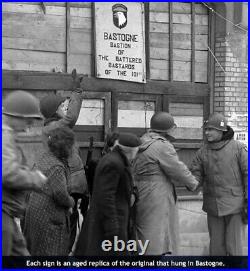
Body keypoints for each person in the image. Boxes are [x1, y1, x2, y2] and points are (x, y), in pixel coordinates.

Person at [133, 112, 199, 255]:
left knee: (145, 229)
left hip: (141, 191)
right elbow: (177, 169)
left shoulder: (142, 141)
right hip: (158, 194)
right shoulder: (162, 146)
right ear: (168, 129)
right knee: (158, 230)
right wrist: (193, 184)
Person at [39, 69, 88, 251]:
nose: (64, 108)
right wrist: (76, 91)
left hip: (71, 186)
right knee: (67, 230)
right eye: (61, 107)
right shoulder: (54, 127)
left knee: (71, 226)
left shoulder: (53, 128)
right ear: (54, 111)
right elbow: (72, 117)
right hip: (68, 187)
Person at [74, 133, 141, 256]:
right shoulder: (114, 163)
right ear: (132, 151)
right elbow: (105, 197)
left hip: (114, 221)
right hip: (109, 224)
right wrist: (113, 228)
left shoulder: (115, 159)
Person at [190, 113, 248, 256]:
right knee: (216, 248)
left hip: (236, 206)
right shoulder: (202, 151)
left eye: (211, 129)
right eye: (206, 129)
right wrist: (188, 182)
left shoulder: (239, 148)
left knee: (234, 247)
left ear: (221, 131)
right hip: (213, 206)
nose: (207, 132)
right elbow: (196, 175)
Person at [2, 90, 47, 256]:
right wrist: (35, 178)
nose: (28, 128)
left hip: (8, 213)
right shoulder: (4, 135)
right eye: (27, 122)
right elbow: (6, 173)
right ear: (16, 116)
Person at [23, 127, 75, 255]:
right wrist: (71, 202)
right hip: (48, 218)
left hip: (35, 213)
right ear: (66, 146)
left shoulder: (44, 158)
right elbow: (60, 195)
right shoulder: (56, 166)